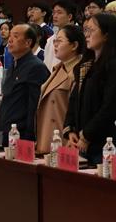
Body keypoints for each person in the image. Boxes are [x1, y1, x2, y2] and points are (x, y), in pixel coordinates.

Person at [63, 13, 116, 163]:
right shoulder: (86, 66)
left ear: (106, 35)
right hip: (80, 141)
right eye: (85, 30)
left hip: (104, 144)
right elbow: (74, 100)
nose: (86, 35)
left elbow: (110, 108)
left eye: (91, 30)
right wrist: (71, 130)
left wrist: (87, 135)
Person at [36, 25, 85, 154]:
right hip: (47, 136)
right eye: (55, 41)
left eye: (60, 41)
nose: (55, 45)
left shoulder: (79, 73)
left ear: (74, 45)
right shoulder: (58, 68)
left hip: (65, 140)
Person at [0, 24, 47, 143]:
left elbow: (35, 106)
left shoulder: (36, 67)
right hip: (8, 129)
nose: (10, 40)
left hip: (23, 134)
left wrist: (29, 136)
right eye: (10, 36)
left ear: (28, 42)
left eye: (15, 36)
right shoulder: (13, 65)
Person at [44, 0, 78, 70]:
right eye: (53, 12)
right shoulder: (50, 40)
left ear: (69, 16)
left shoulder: (77, 37)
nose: (55, 16)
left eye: (59, 13)